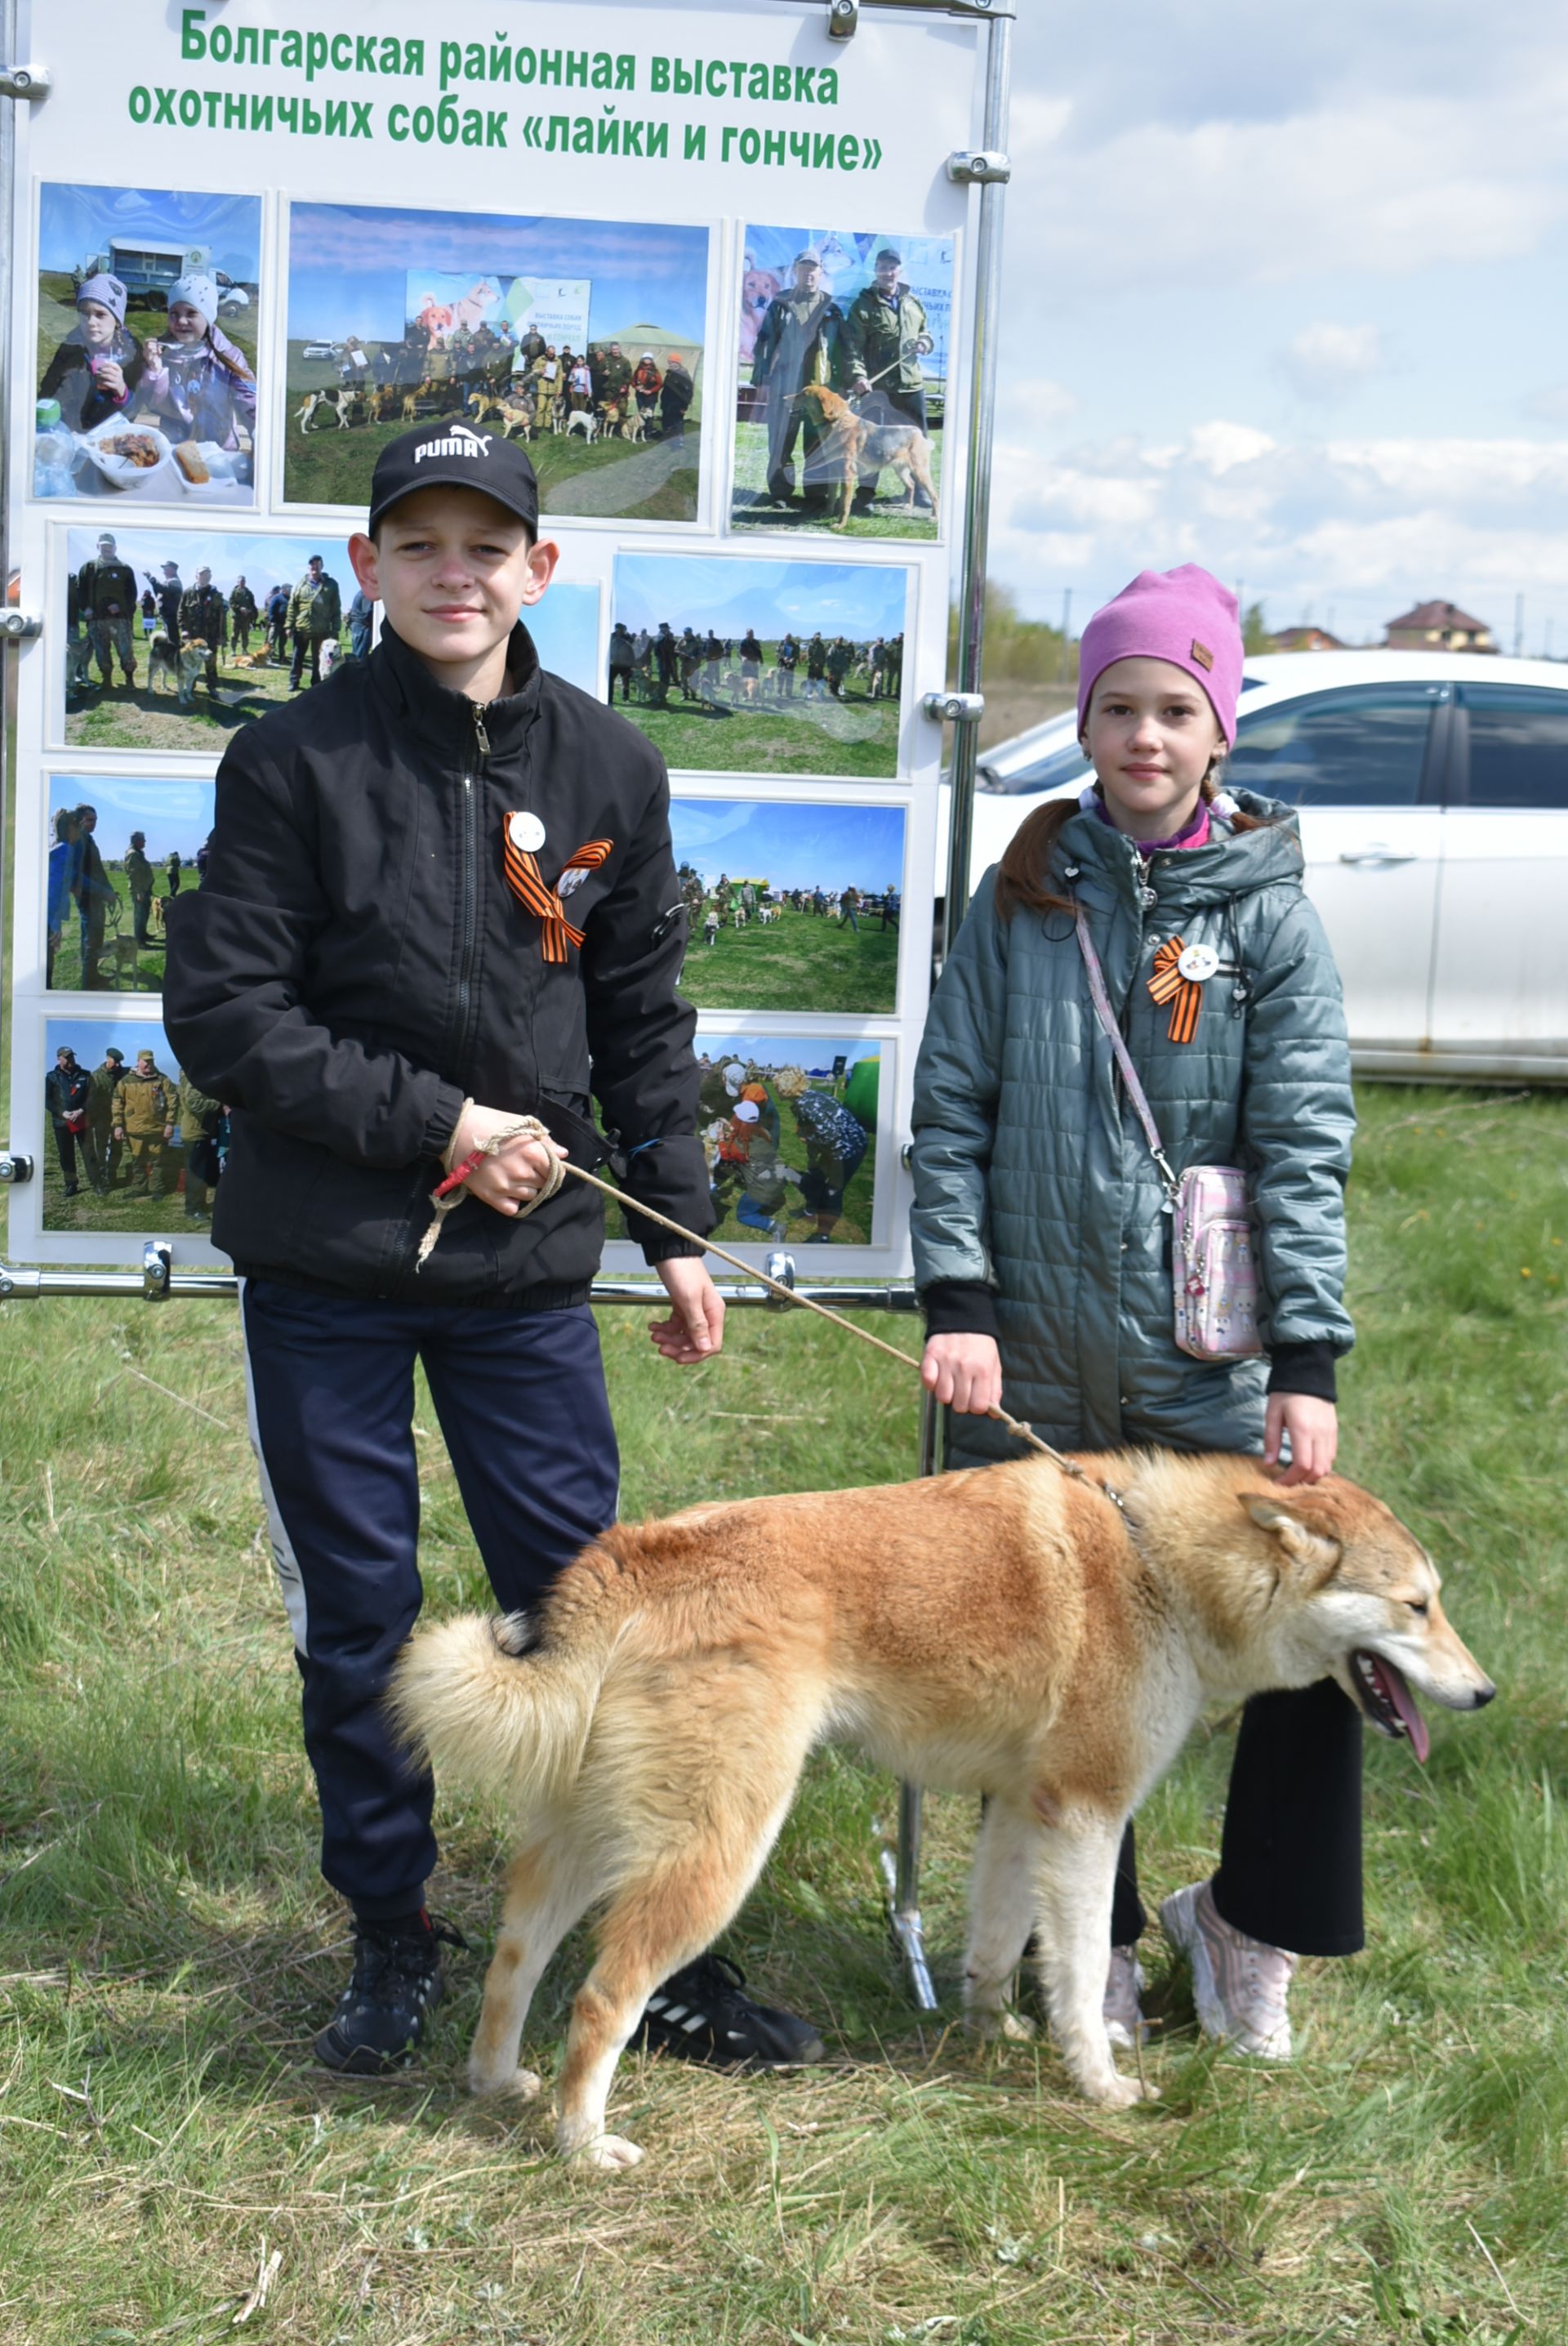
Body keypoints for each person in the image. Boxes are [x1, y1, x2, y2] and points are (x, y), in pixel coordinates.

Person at [163, 421, 822, 2081]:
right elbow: (227, 1016)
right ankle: (391, 1926)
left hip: (525, 1280)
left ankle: (650, 1946)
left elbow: (641, 1016)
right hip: (326, 1263)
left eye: (487, 544)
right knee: (360, 1616)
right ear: (366, 567)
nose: (454, 572)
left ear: (542, 567)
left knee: (592, 1608)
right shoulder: (291, 759)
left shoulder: (610, 767)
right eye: (420, 543)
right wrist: (441, 1122)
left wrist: (676, 1221)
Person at [911, 565, 1357, 2062]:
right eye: (1117, 707)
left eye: (1177, 707)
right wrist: (960, 1298)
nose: (1145, 735)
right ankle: (1086, 1939)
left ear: (1220, 727)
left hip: (1210, 1364)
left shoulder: (1273, 926)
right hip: (1028, 1352)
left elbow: (1303, 1143)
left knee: (1316, 1628)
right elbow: (954, 1102)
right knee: (1044, 1650)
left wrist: (1307, 1357)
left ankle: (1250, 1921)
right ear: (1086, 722)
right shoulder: (1026, 896)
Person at [840, 248, 936, 511]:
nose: (887, 272)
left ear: (899, 270)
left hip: (911, 386)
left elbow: (925, 332)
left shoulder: (913, 302)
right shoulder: (863, 306)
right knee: (869, 442)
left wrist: (925, 343)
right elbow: (852, 348)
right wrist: (859, 376)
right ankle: (866, 493)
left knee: (917, 440)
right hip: (877, 389)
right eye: (882, 267)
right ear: (876, 271)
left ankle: (920, 492)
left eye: (892, 267)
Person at [749, 252, 848, 507]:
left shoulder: (832, 309)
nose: (809, 274)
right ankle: (781, 493)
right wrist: (761, 378)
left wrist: (844, 384)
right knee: (781, 441)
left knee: (817, 443)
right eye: (804, 269)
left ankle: (816, 494)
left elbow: (843, 351)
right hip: (785, 385)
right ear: (795, 271)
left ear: (821, 273)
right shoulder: (780, 304)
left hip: (820, 389)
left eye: (813, 269)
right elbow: (764, 343)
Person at [133, 272, 256, 465]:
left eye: (191, 313)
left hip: (220, 452)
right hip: (173, 450)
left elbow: (250, 400)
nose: (181, 321)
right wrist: (155, 370)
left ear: (208, 317)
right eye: (174, 314)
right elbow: (154, 403)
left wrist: (259, 432)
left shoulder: (228, 356)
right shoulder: (162, 353)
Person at [40, 271, 145, 435]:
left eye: (100, 314)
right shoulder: (71, 348)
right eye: (84, 313)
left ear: (117, 320)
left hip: (110, 439)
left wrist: (122, 393)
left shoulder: (131, 354)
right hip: (70, 434)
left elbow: (137, 406)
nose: (91, 322)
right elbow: (49, 392)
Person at [112, 1046, 176, 1197]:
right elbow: (117, 1102)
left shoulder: (162, 1079)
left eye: (151, 1061)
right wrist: (118, 1125)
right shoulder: (126, 1081)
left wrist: (170, 1124)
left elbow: (173, 1101)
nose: (148, 1064)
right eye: (145, 1061)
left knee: (157, 1161)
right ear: (138, 1062)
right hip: (134, 1129)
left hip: (157, 1129)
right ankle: (139, 1188)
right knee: (137, 1161)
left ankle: (157, 1189)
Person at [78, 532, 138, 689]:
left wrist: (121, 606)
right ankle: (107, 680)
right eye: (103, 546)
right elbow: (80, 591)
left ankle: (129, 679)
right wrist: (86, 608)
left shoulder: (125, 569)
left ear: (115, 548)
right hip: (97, 619)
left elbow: (132, 595)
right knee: (101, 652)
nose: (107, 549)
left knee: (125, 650)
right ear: (98, 547)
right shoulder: (88, 568)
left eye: (110, 546)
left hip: (120, 619)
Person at [72, 803, 115, 990]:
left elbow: (97, 870)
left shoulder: (89, 839)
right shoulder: (79, 841)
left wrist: (110, 889)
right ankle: (88, 984)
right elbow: (78, 877)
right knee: (92, 940)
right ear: (80, 820)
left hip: (96, 897)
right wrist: (104, 891)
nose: (94, 824)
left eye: (95, 820)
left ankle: (93, 976)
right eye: (90, 820)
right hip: (88, 898)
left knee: (94, 938)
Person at [288, 554, 343, 692]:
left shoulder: (331, 585)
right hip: (302, 628)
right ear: (308, 567)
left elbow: (336, 608)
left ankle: (316, 684)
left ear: (322, 567)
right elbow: (292, 606)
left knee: (319, 659)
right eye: (312, 564)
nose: (315, 567)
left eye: (318, 564)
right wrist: (289, 625)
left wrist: (335, 629)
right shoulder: (300, 584)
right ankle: (294, 682)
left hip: (321, 629)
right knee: (297, 658)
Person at [44, 1046, 92, 1198]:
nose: (70, 1060)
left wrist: (81, 1110)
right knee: (67, 1156)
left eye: (72, 1056)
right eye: (67, 1057)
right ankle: (71, 1185)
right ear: (59, 1058)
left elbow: (92, 1097)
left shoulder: (85, 1075)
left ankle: (96, 1181)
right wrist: (62, 1113)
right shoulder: (51, 1077)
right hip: (62, 1123)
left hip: (81, 1120)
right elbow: (47, 1100)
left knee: (89, 1152)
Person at [179, 566, 227, 695]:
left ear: (210, 577)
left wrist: (222, 635)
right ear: (196, 577)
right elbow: (181, 612)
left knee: (211, 664)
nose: (205, 577)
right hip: (193, 637)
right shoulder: (188, 593)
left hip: (210, 636)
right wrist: (183, 630)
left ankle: (212, 688)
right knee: (190, 662)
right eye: (202, 575)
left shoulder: (216, 595)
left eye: (207, 575)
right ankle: (190, 687)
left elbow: (222, 617)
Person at [47, 809, 79, 987]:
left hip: (46, 918)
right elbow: (54, 890)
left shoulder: (56, 848)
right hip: (48, 920)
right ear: (69, 829)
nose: (79, 833)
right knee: (46, 972)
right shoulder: (65, 851)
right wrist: (55, 925)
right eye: (77, 828)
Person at [86, 1046, 125, 1192]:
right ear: (108, 1059)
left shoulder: (122, 1074)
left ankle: (112, 1175)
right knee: (101, 1149)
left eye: (119, 1062)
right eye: (115, 1061)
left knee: (117, 1148)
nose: (117, 1065)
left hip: (118, 1119)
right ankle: (100, 1179)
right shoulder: (96, 1076)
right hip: (102, 1119)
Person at [124, 829, 157, 948]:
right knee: (139, 915)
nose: (145, 842)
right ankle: (139, 941)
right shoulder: (132, 854)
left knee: (145, 913)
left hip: (145, 889)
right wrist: (139, 892)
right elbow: (133, 874)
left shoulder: (139, 853)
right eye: (143, 840)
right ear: (137, 841)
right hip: (139, 891)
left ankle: (143, 934)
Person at [659, 351, 693, 442]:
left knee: (677, 423)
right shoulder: (669, 373)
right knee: (666, 422)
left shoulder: (684, 375)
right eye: (669, 362)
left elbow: (688, 392)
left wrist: (684, 407)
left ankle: (679, 441)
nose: (671, 364)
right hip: (667, 403)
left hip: (678, 404)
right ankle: (668, 439)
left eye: (673, 362)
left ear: (678, 363)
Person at [146, 561, 183, 640]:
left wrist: (151, 578)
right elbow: (159, 592)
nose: (164, 572)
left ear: (172, 570)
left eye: (166, 569)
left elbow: (161, 588)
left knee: (172, 640)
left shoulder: (175, 581)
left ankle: (175, 652)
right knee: (168, 640)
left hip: (171, 616)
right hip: (167, 616)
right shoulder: (170, 581)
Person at [631, 350, 662, 435]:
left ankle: (648, 432)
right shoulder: (638, 370)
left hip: (651, 397)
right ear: (642, 359)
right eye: (646, 358)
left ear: (652, 360)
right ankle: (641, 431)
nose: (647, 360)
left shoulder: (655, 372)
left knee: (649, 414)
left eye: (649, 359)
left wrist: (651, 391)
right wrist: (636, 386)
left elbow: (660, 384)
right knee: (641, 414)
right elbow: (633, 381)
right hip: (640, 396)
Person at [607, 621, 635, 704]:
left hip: (625, 663)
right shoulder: (611, 637)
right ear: (617, 629)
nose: (622, 631)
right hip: (614, 663)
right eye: (620, 629)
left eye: (623, 629)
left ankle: (625, 697)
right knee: (610, 681)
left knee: (626, 681)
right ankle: (609, 698)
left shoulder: (627, 637)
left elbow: (632, 645)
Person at [229, 576, 258, 656]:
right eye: (241, 581)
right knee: (235, 634)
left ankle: (244, 649)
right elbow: (231, 603)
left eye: (244, 581)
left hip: (246, 618)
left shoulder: (249, 593)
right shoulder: (234, 592)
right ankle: (233, 650)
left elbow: (252, 604)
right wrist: (239, 608)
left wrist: (249, 611)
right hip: (236, 617)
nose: (242, 583)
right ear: (237, 582)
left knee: (245, 634)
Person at [347, 585, 375, 664]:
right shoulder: (367, 594)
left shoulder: (362, 592)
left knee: (356, 655)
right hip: (362, 627)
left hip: (358, 626)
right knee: (360, 656)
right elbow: (367, 612)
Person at [265, 582, 290, 664]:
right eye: (288, 588)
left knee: (282, 643)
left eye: (290, 589)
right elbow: (271, 609)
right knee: (271, 642)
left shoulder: (290, 598)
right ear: (283, 590)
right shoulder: (276, 598)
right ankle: (269, 657)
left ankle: (282, 658)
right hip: (276, 624)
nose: (290, 590)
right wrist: (272, 620)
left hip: (285, 624)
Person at [775, 631, 799, 699]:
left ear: (791, 638)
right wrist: (783, 657)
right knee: (780, 680)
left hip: (791, 665)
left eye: (789, 637)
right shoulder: (781, 644)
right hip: (782, 664)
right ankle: (779, 693)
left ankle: (789, 694)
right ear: (784, 637)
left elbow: (797, 654)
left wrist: (793, 658)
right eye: (786, 637)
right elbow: (777, 653)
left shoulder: (794, 645)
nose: (787, 638)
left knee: (790, 680)